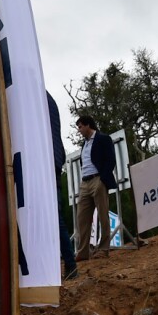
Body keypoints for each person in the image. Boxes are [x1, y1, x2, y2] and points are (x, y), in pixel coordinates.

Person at [73, 114, 116, 261]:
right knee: (82, 218)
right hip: (84, 183)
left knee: (103, 215)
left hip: (98, 179)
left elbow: (111, 160)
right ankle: (83, 252)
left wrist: (102, 179)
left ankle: (103, 249)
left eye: (80, 126)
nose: (79, 130)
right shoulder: (83, 144)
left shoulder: (103, 139)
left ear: (88, 125)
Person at [47, 93, 77, 279]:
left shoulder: (33, 95)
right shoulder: (50, 100)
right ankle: (69, 264)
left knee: (55, 220)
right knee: (56, 220)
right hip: (53, 165)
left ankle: (70, 264)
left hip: (46, 167)